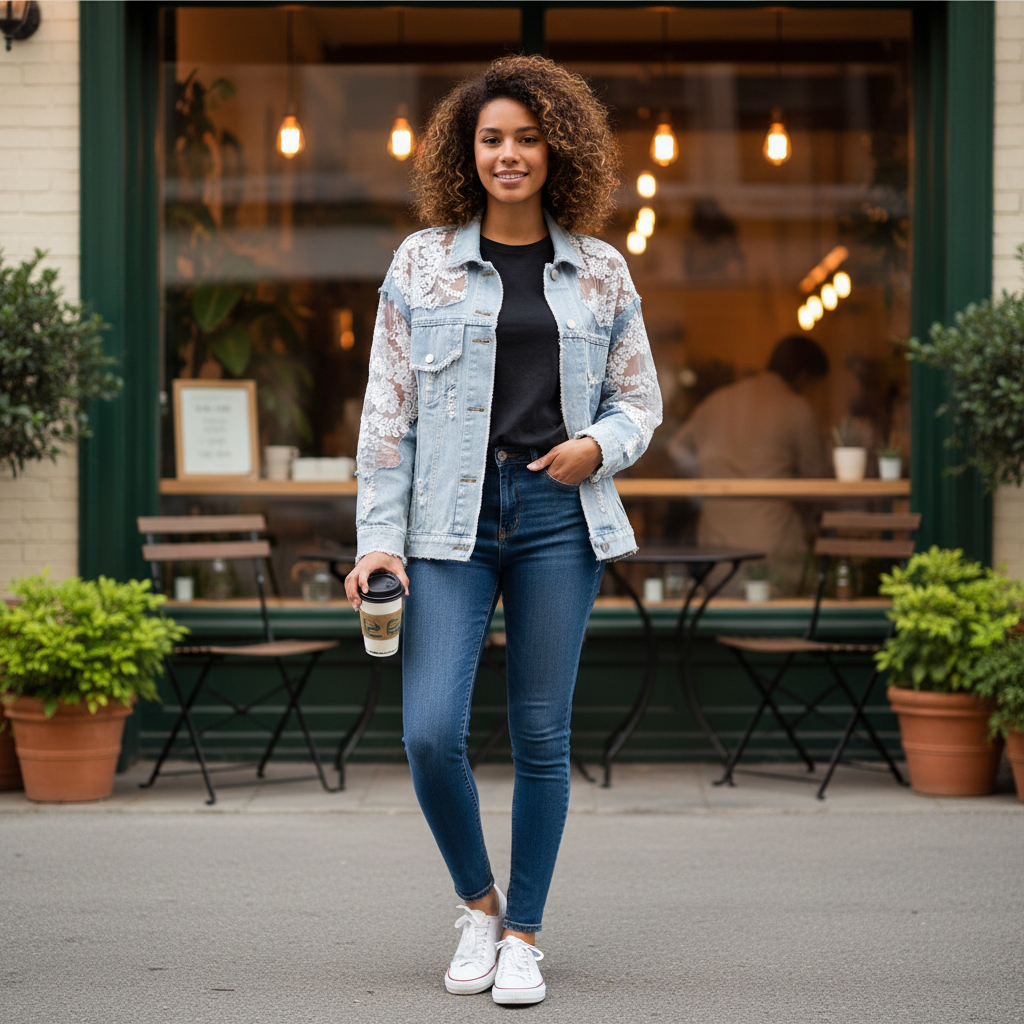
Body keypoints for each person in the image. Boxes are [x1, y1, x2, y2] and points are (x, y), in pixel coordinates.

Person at [344, 56, 661, 1005]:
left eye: (527, 137)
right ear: (466, 150)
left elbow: (639, 400)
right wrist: (376, 538)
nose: (510, 154)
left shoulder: (601, 270)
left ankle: (524, 933)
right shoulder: (421, 263)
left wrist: (595, 448)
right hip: (449, 520)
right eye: (492, 138)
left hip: (560, 518)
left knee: (540, 736)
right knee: (432, 731)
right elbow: (385, 417)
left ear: (557, 146)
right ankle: (478, 904)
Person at [668, 335, 830, 593]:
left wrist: (706, 480)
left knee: (718, 621)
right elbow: (818, 483)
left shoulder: (717, 400)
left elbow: (676, 448)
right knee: (775, 624)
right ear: (804, 377)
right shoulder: (797, 408)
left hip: (716, 545)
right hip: (774, 547)